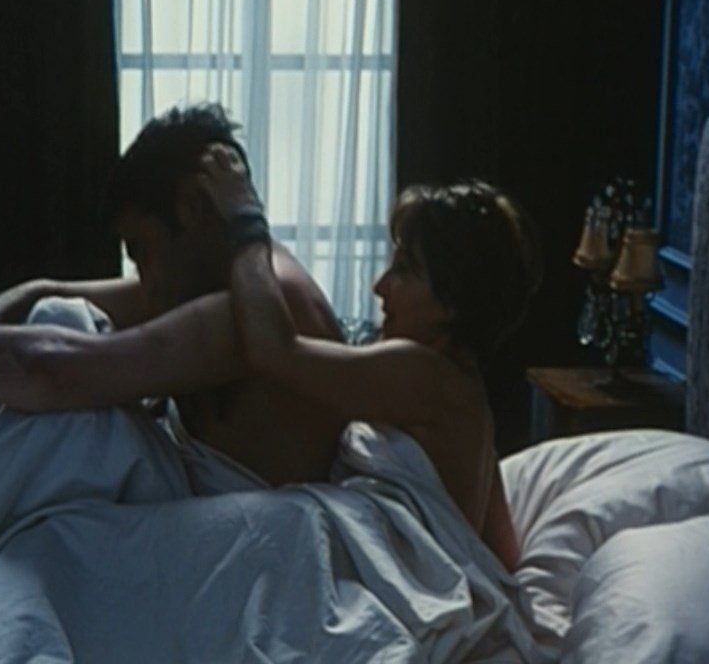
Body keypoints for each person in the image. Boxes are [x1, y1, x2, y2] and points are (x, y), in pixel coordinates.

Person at [0, 104, 348, 486]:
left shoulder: (258, 305)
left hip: (253, 520)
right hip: (197, 494)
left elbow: (56, 372)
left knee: (56, 383)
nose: (145, 278)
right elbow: (45, 291)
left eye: (141, 250)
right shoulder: (202, 282)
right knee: (56, 318)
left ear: (192, 210)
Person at [196, 143, 539, 570]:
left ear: (450, 301)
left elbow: (272, 351)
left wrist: (245, 219)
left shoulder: (421, 373)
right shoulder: (467, 395)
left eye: (404, 270)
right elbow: (504, 552)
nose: (380, 286)